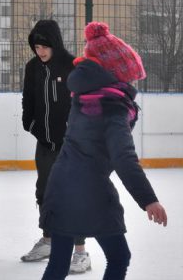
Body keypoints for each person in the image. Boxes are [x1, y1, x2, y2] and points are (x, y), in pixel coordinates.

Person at [40, 22, 168, 280]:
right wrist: (148, 199)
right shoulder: (113, 105)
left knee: (58, 265)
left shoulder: (84, 93)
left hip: (60, 185)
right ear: (116, 72)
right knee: (120, 258)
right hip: (90, 191)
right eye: (129, 74)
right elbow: (123, 157)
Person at [20, 20, 91, 273]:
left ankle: (81, 252)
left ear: (55, 44)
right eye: (37, 46)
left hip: (71, 144)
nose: (40, 51)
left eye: (45, 46)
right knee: (45, 192)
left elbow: (86, 103)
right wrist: (29, 123)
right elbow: (28, 99)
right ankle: (48, 240)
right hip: (45, 142)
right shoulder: (32, 68)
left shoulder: (72, 66)